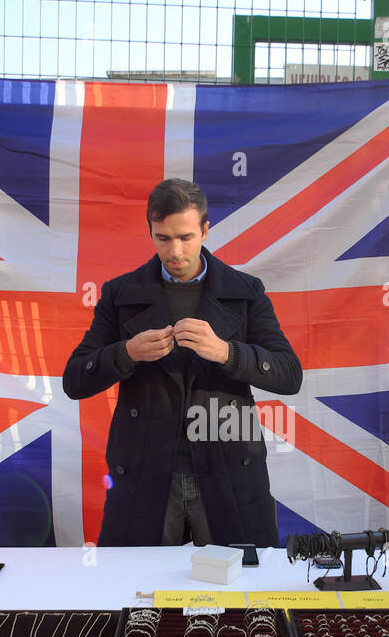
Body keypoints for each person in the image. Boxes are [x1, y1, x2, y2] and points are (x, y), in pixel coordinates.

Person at [62, 178, 302, 547]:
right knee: (138, 590)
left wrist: (226, 352)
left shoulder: (245, 291)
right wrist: (126, 353)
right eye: (163, 238)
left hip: (229, 468)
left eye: (186, 237)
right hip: (147, 472)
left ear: (206, 230)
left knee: (240, 594)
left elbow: (289, 374)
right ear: (150, 232)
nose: (175, 251)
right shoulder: (119, 294)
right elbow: (75, 380)